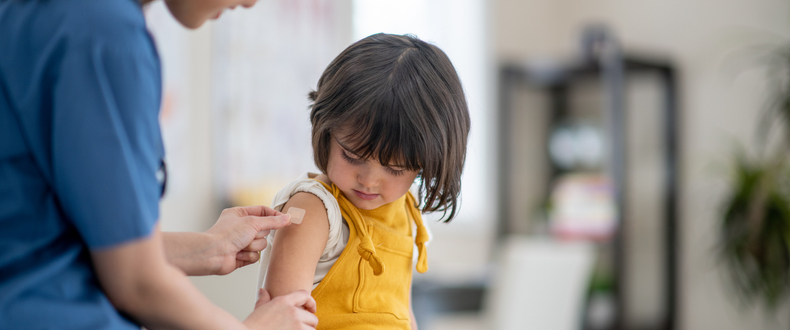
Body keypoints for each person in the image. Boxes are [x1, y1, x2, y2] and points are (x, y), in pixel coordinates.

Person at [0, 0, 318, 329]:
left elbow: (57, 238)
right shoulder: (105, 35)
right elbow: (136, 282)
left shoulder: (46, 13)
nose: (251, 2)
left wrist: (211, 247)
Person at [257, 33, 471, 329]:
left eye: (396, 169)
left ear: (423, 165)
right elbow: (281, 320)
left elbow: (402, 313)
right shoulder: (314, 210)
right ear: (327, 132)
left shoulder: (404, 210)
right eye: (352, 156)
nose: (369, 180)